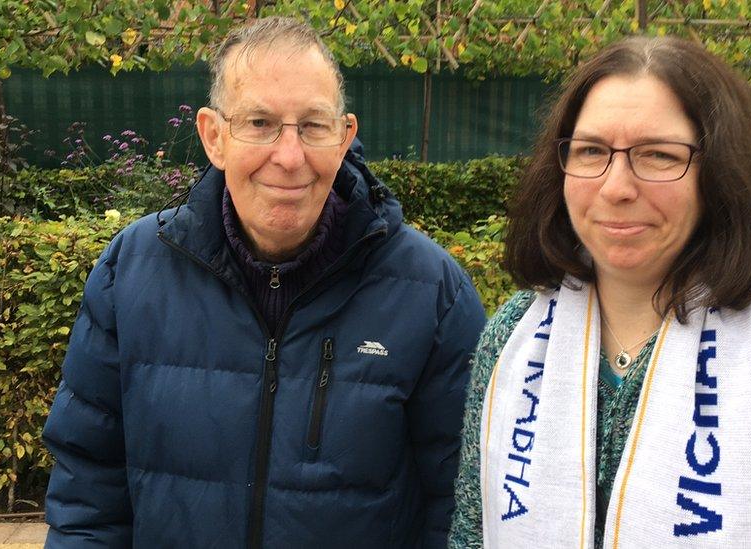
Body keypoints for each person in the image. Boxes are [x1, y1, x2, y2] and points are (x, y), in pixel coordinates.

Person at [449, 37, 751, 548]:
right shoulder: (515, 338)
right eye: (591, 151)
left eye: (657, 154)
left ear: (721, 172)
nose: (616, 187)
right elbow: (474, 535)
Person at [42, 16, 486, 548]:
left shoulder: (432, 292)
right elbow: (88, 494)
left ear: (345, 137)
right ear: (214, 136)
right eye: (259, 122)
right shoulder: (130, 273)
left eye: (313, 125)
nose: (289, 155)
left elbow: (461, 506)